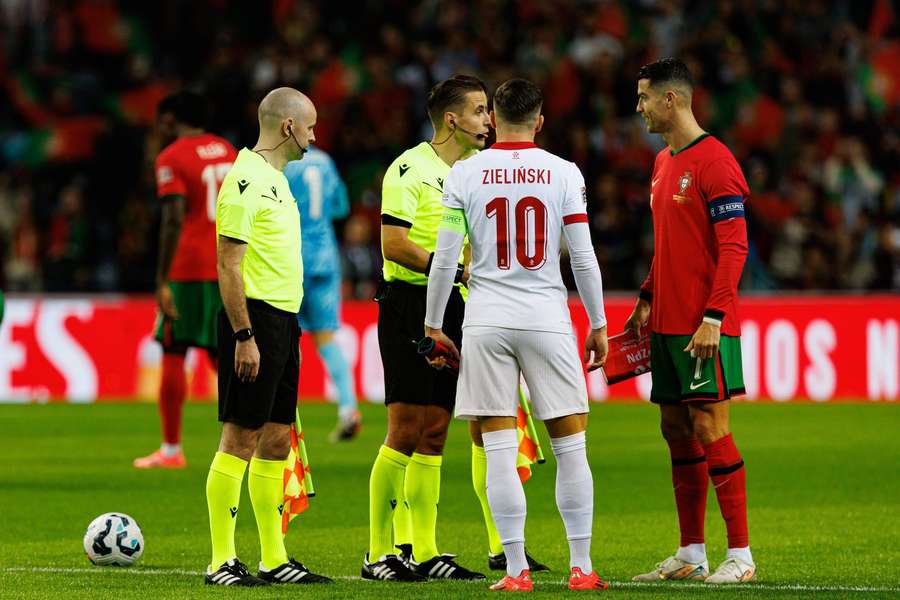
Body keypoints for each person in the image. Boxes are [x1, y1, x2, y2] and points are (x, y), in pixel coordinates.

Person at [424, 78, 610, 593]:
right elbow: (584, 257)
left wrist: (434, 323)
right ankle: (582, 568)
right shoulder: (564, 172)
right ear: (540, 121)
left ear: (494, 118)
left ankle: (514, 571)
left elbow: (444, 258)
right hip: (547, 316)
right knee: (571, 448)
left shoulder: (464, 172)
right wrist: (597, 323)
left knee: (500, 449)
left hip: (486, 319)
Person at [627, 58, 754, 584]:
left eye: (643, 98)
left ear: (671, 100)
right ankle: (691, 552)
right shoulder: (662, 162)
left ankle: (741, 556)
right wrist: (647, 297)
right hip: (668, 323)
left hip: (705, 324)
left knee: (710, 426)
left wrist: (714, 315)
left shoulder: (716, 162)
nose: (638, 107)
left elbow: (734, 247)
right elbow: (669, 245)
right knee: (675, 428)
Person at [363, 74, 489, 582]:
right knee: (406, 427)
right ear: (452, 119)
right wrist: (452, 267)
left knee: (436, 431)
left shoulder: (474, 173)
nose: (489, 121)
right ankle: (378, 553)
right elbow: (393, 244)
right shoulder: (409, 168)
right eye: (480, 111)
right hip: (409, 303)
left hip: (453, 304)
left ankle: (424, 549)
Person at [204, 87, 331, 587]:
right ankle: (220, 561)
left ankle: (273, 559)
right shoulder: (245, 181)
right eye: (311, 126)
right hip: (254, 322)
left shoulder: (275, 179)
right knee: (239, 438)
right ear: (288, 128)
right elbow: (227, 264)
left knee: (277, 440)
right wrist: (244, 335)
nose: (314, 136)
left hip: (283, 321)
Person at [134, 92, 237, 469]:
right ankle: (258, 432)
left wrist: (162, 279)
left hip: (188, 269)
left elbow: (174, 218)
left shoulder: (172, 157)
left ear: (171, 119)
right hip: (227, 262)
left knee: (174, 349)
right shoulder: (228, 150)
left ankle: (171, 450)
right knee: (224, 352)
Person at [284, 146, 361, 442]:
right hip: (325, 258)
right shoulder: (326, 161)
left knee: (288, 335)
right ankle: (348, 408)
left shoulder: (286, 164)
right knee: (326, 337)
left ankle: (284, 412)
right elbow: (340, 207)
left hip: (293, 256)